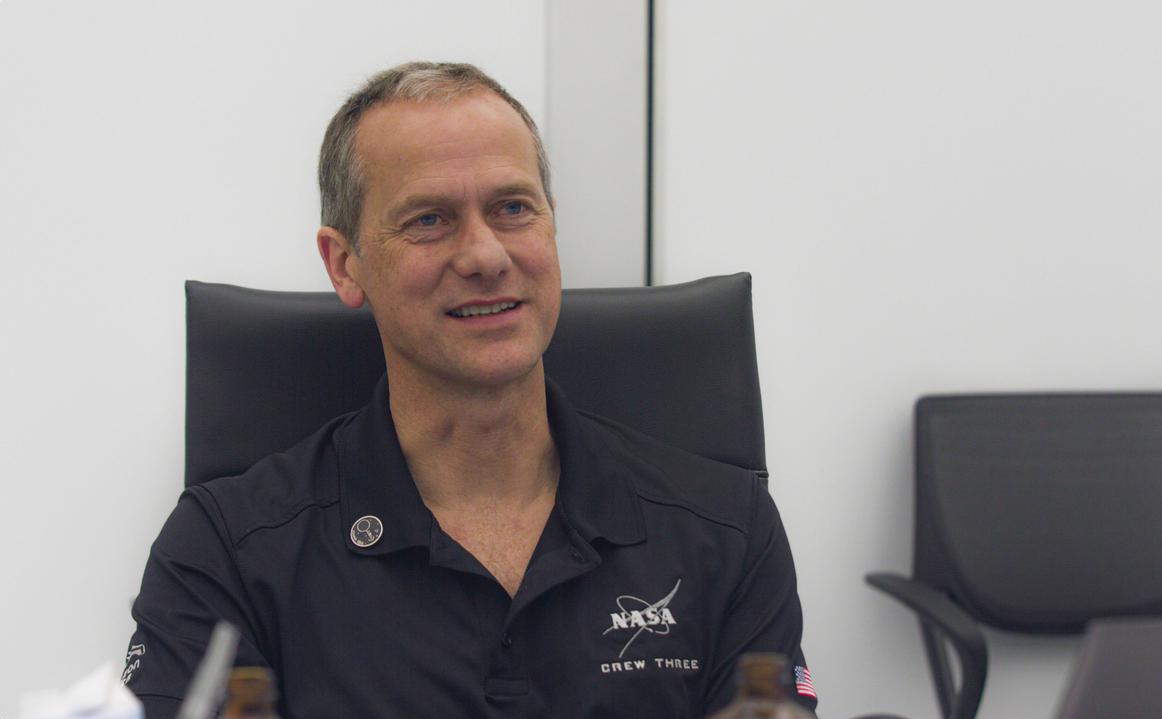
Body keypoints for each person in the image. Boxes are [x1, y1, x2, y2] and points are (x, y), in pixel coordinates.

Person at [124, 62, 817, 718]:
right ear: (345, 263)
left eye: (513, 207)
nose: (486, 255)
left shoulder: (726, 529)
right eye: (428, 219)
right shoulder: (226, 551)